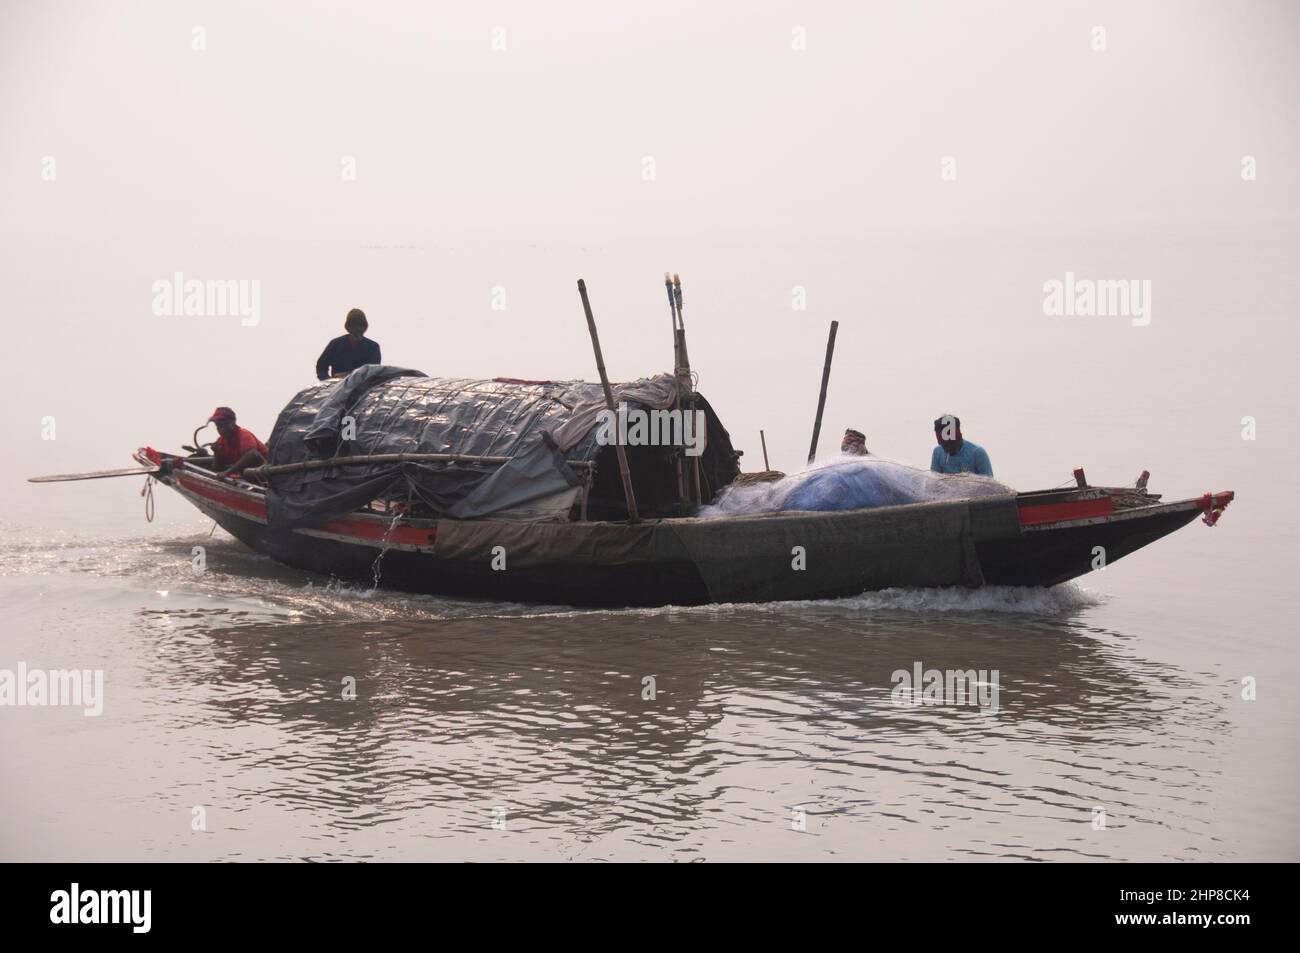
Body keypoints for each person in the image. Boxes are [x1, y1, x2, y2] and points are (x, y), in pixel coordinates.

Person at [316, 308, 381, 380]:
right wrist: (327, 381)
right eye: (354, 326)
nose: (357, 329)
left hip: (362, 387)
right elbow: (321, 366)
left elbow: (374, 371)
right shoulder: (335, 344)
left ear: (364, 328)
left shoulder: (372, 347)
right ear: (348, 328)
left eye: (361, 326)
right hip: (338, 387)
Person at [208, 407, 269, 479]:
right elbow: (217, 469)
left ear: (233, 422)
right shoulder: (221, 441)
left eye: (224, 424)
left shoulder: (244, 435)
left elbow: (252, 455)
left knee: (252, 455)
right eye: (218, 425)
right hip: (244, 474)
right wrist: (217, 453)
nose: (221, 429)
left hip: (266, 471)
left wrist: (227, 473)